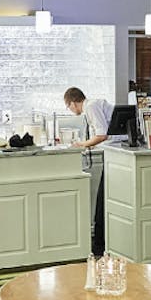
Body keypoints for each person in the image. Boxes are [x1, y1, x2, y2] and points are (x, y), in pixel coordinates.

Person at [64, 87, 116, 256]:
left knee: (103, 199)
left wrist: (81, 144)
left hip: (115, 153)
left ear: (73, 102)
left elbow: (102, 135)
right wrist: (89, 143)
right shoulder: (93, 106)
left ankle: (100, 245)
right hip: (113, 152)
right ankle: (100, 243)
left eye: (68, 107)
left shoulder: (91, 107)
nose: (70, 110)